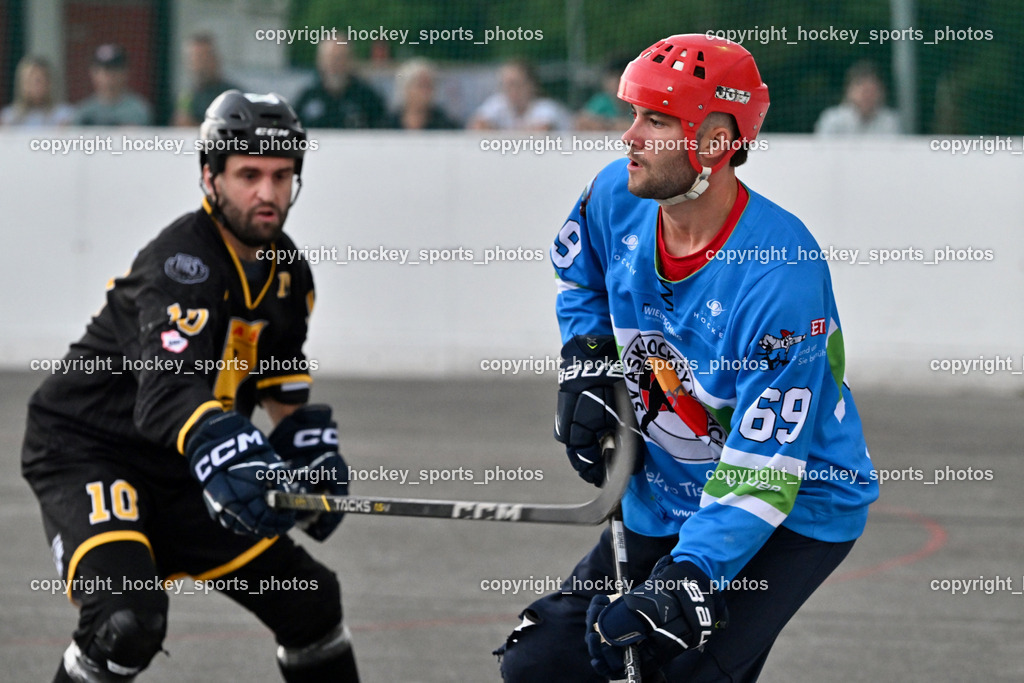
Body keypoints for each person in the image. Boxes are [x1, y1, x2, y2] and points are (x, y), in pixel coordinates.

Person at [496, 34, 879, 682]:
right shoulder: (617, 195)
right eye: (632, 115)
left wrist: (685, 579)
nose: (629, 137)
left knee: (671, 668)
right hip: (668, 484)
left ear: (713, 142)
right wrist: (587, 357)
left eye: (657, 120)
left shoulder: (779, 277)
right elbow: (580, 277)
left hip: (794, 502)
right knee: (543, 664)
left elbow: (762, 472)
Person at [22, 90, 359, 682]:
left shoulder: (289, 274)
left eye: (282, 176)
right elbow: (167, 394)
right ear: (211, 177)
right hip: (92, 452)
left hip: (185, 466)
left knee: (310, 600)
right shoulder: (180, 265)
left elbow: (280, 379)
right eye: (248, 175)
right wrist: (229, 445)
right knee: (126, 621)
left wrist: (308, 453)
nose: (268, 194)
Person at [294, 40, 387, 128]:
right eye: (330, 58)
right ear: (319, 61)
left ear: (351, 60)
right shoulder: (307, 97)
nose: (334, 64)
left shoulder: (368, 98)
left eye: (340, 58)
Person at [468, 59, 571, 131]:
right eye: (505, 85)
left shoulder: (546, 107)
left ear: (531, 85)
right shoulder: (499, 103)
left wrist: (497, 132)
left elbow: (541, 133)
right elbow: (477, 125)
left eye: (514, 84)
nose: (510, 90)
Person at [815, 60, 901, 135]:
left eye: (872, 91)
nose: (867, 96)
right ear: (849, 91)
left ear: (881, 92)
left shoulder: (890, 121)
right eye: (863, 91)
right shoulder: (832, 120)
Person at [74, 44, 152, 127]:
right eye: (104, 70)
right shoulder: (83, 111)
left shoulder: (138, 109)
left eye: (115, 69)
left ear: (125, 72)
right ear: (93, 73)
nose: (109, 75)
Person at [172, 32, 240, 127]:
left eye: (203, 58)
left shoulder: (232, 96)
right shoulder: (187, 95)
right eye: (194, 59)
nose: (200, 65)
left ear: (216, 60)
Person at [1, 55, 75, 127]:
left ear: (49, 83)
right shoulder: (8, 118)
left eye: (38, 80)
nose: (33, 85)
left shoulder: (65, 116)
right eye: (28, 81)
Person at [385, 58, 459, 130]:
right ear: (405, 88)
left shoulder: (445, 125)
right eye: (421, 85)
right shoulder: (387, 124)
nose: (426, 91)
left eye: (430, 85)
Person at [574, 57, 633, 132]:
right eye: (610, 78)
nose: (613, 83)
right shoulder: (602, 100)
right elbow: (580, 121)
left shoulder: (638, 102)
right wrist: (609, 124)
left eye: (618, 78)